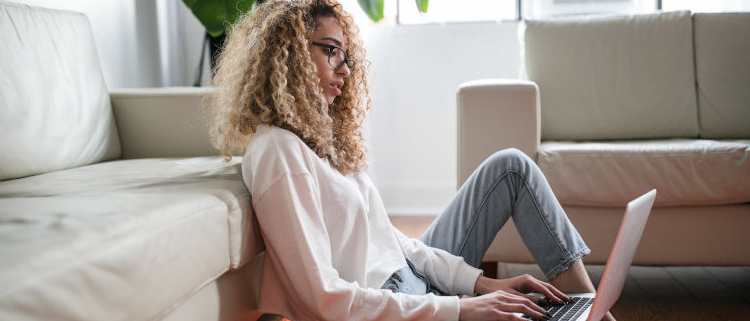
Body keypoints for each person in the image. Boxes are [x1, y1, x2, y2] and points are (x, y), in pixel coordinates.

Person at [207, 0, 615, 320]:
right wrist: (458, 309)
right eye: (331, 51)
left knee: (511, 166)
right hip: (391, 303)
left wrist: (478, 284)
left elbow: (393, 241)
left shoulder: (323, 141)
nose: (345, 70)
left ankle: (590, 310)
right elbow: (323, 299)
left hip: (414, 285)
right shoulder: (279, 150)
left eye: (346, 57)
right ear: (289, 53)